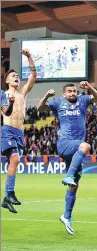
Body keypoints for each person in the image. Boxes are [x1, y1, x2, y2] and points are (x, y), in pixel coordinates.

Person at [37, 82, 97, 235]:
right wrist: (46, 95)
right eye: (70, 91)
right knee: (86, 146)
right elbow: (40, 108)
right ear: (64, 94)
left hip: (75, 149)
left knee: (74, 185)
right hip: (65, 144)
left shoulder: (83, 100)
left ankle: (67, 216)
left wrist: (90, 88)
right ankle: (68, 175)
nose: (73, 93)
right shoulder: (58, 102)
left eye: (74, 91)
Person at [1, 49, 37, 214]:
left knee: (14, 162)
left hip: (19, 133)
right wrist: (10, 103)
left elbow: (33, 76)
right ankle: (10, 194)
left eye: (17, 75)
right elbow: (6, 112)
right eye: (13, 75)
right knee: (14, 159)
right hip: (7, 130)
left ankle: (8, 197)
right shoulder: (3, 94)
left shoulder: (22, 93)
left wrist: (29, 58)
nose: (16, 77)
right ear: (6, 79)